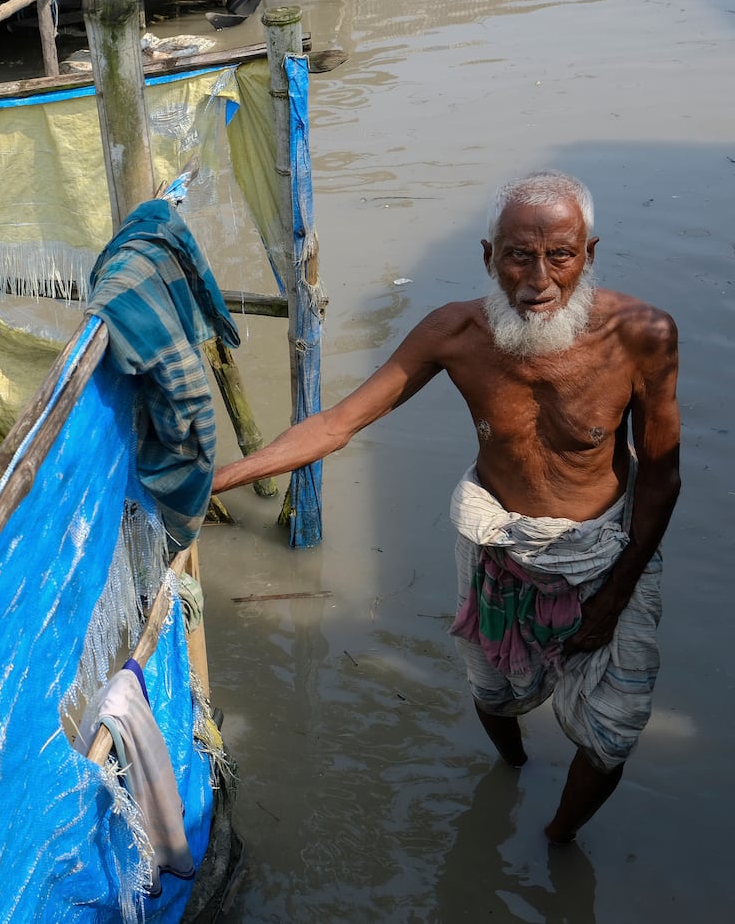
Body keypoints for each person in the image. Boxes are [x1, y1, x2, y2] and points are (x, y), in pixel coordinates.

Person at [212, 170, 679, 844]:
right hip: (497, 543)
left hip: (609, 550)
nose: (538, 278)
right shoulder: (453, 333)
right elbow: (338, 423)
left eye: (560, 256)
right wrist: (220, 478)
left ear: (589, 255)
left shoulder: (642, 336)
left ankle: (557, 837)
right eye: (518, 254)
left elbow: (662, 478)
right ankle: (512, 764)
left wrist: (613, 596)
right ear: (488, 257)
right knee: (491, 693)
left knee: (612, 737)